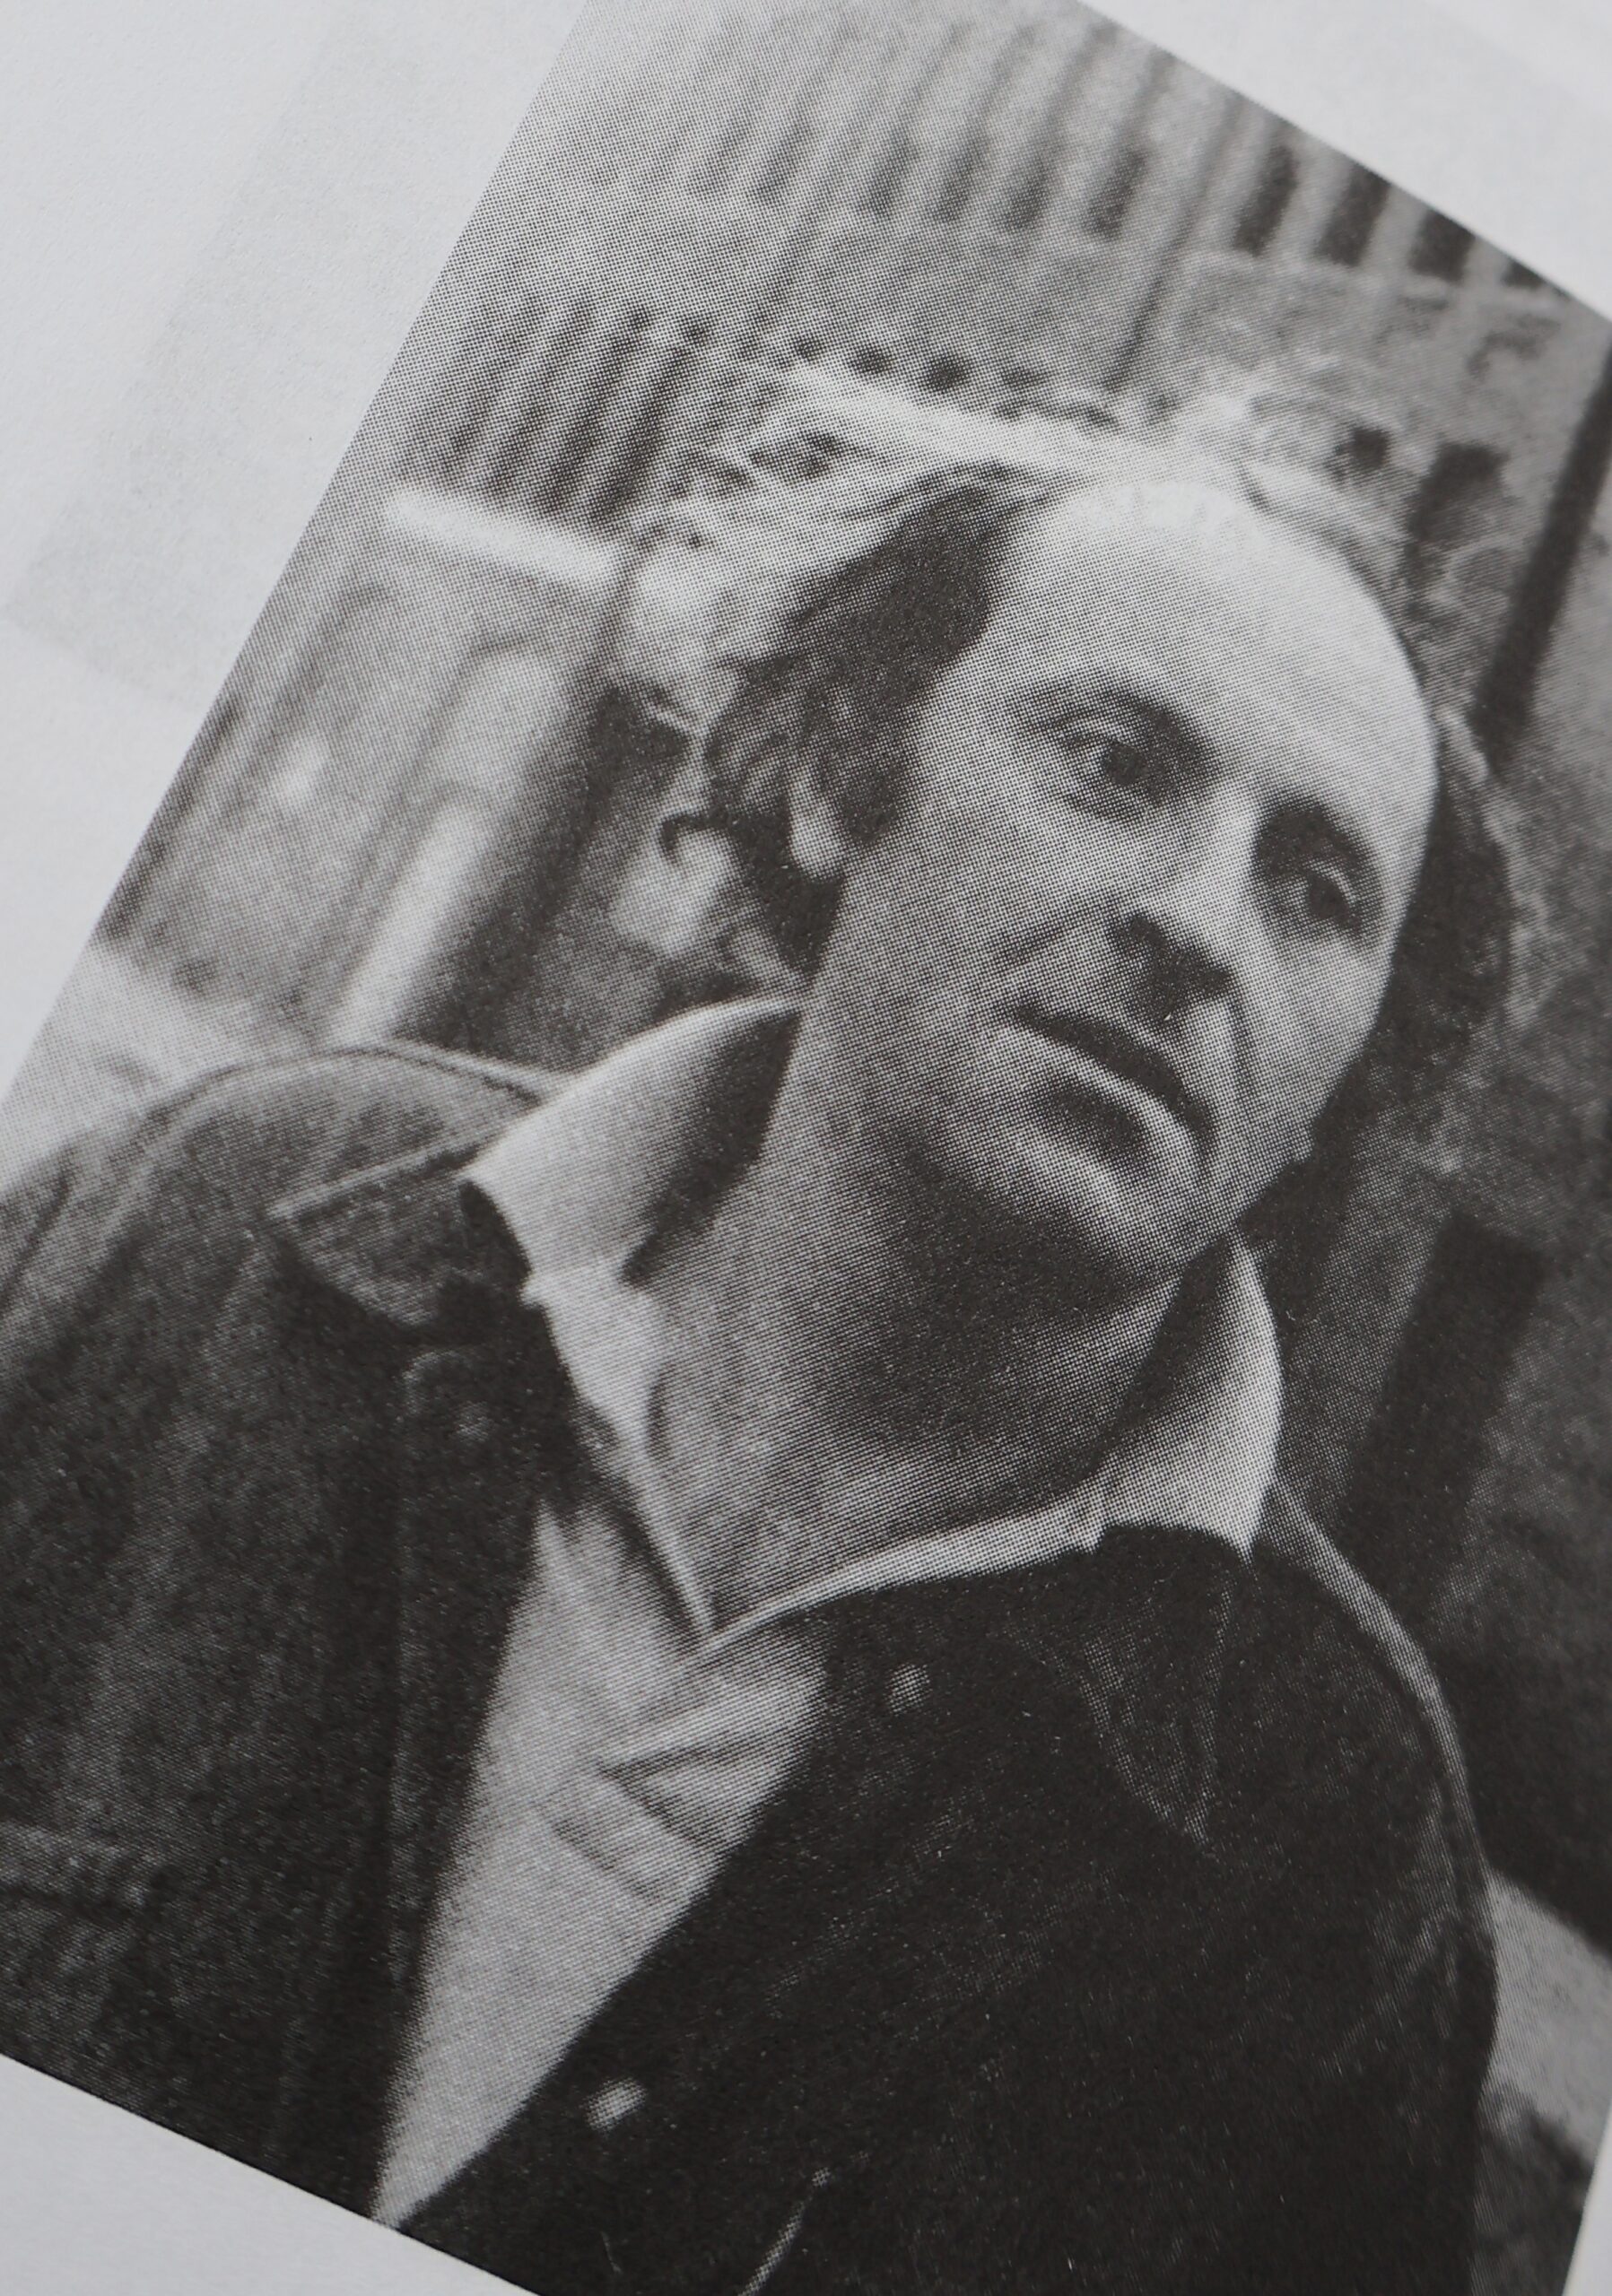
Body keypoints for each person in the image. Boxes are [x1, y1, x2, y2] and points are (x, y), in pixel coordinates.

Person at [0, 381, 1514, 2295]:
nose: (1202, 925)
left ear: (1336, 1088)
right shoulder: (202, 1230)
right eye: (1113, 761)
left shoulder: (1343, 1856)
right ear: (831, 776)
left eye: (1316, 889)